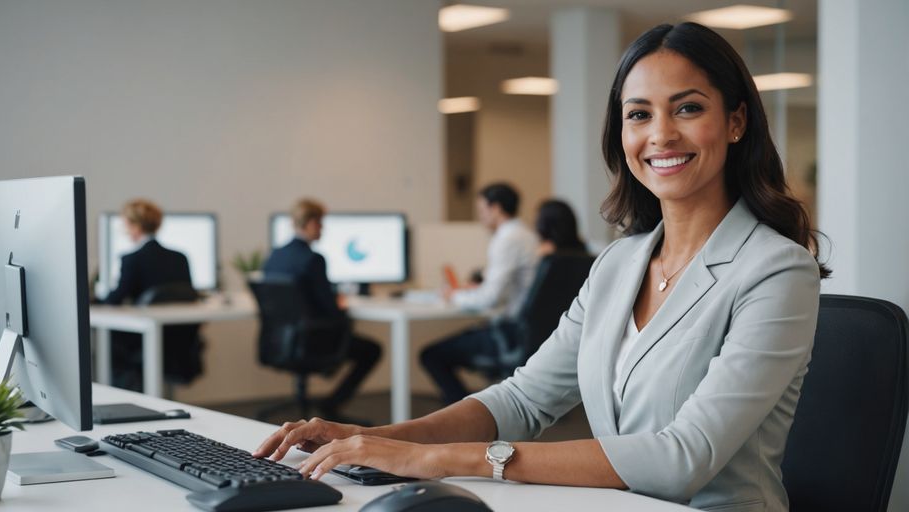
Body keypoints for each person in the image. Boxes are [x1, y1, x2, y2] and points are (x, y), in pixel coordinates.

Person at [253, 22, 828, 511]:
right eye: (638, 114)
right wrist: (372, 437)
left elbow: (682, 458)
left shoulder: (776, 271)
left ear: (735, 121)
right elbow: (523, 401)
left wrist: (436, 459)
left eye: (688, 108)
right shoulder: (619, 263)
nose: (660, 134)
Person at [262, 198, 382, 422]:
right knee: (372, 350)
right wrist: (342, 308)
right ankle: (332, 404)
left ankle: (328, 401)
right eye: (320, 223)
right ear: (310, 223)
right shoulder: (313, 259)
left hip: (279, 342)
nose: (322, 229)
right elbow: (330, 308)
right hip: (311, 342)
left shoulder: (275, 255)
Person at [419, 182, 539, 404]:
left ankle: (465, 414)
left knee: (431, 355)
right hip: (525, 330)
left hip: (508, 334)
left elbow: (489, 299)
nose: (481, 217)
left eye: (482, 210)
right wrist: (474, 288)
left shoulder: (506, 238)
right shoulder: (526, 234)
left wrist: (453, 296)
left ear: (496, 208)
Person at [103, 199, 196, 391]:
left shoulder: (132, 259)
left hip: (143, 338)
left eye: (125, 225)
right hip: (177, 339)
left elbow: (115, 299)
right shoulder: (180, 258)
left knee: (108, 339)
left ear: (135, 227)